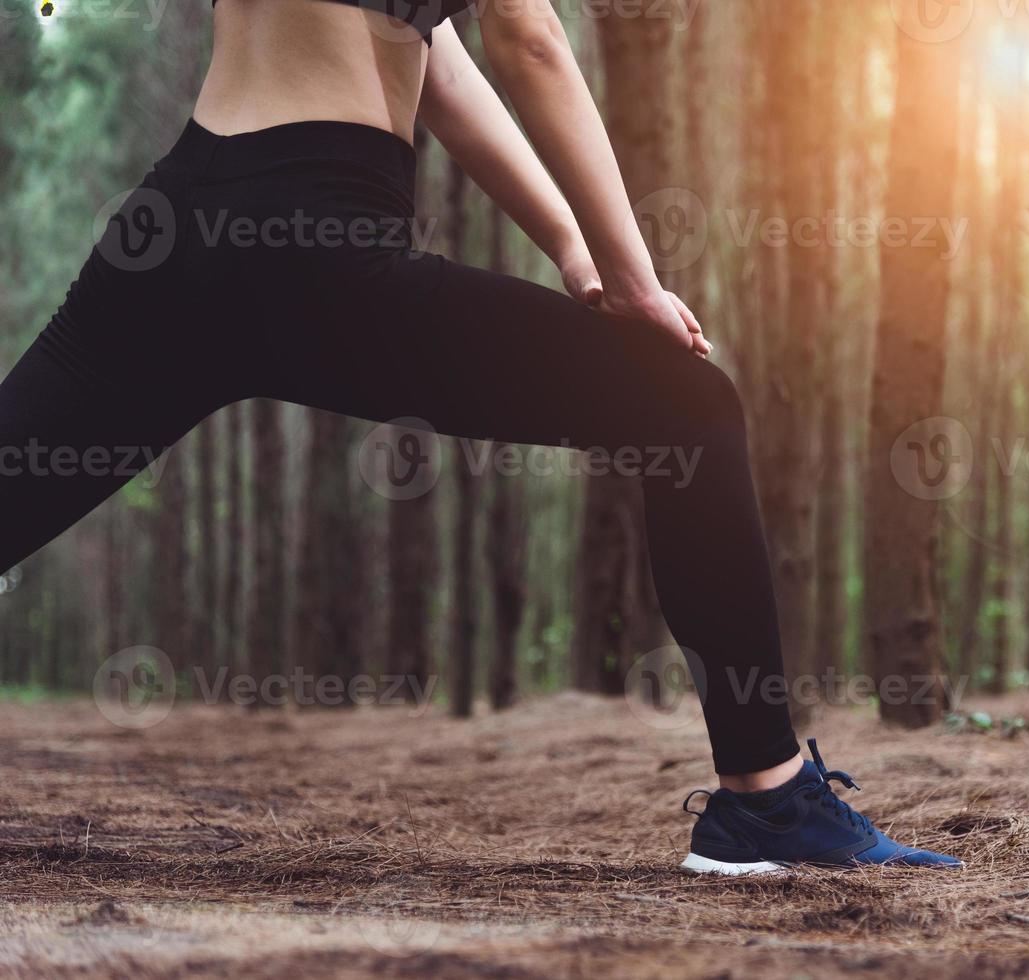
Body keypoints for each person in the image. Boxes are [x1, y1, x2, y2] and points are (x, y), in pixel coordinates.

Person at [0, 0, 959, 874]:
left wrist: (577, 250)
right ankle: (769, 801)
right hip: (318, 247)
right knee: (691, 409)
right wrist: (631, 280)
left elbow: (441, 61)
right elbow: (525, 35)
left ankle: (770, 803)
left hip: (180, 233)